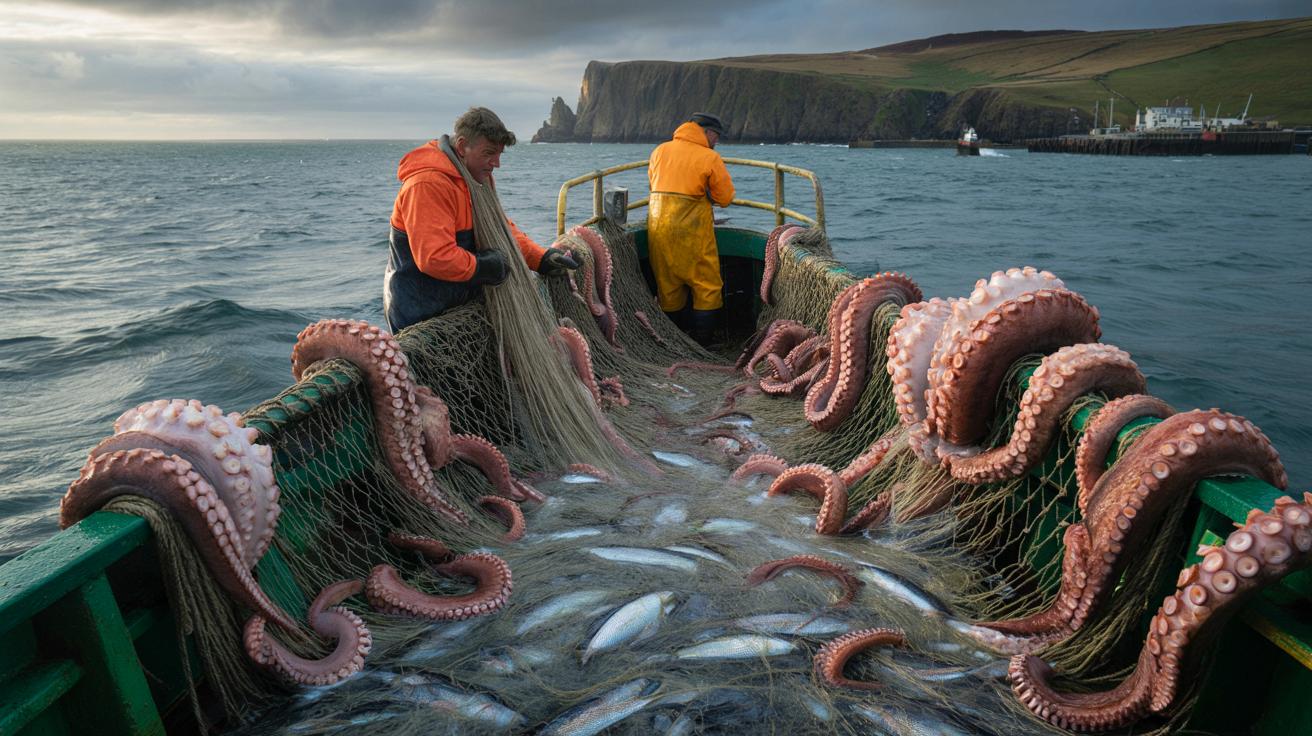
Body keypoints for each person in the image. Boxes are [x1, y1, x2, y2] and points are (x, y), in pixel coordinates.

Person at [384, 106, 578, 333]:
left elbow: (501, 230)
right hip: (419, 317)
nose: (496, 163)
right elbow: (434, 258)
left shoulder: (478, 178)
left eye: (499, 154)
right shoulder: (427, 185)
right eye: (488, 153)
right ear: (462, 146)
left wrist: (541, 259)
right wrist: (481, 267)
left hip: (459, 307)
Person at [646, 112, 735, 346]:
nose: (717, 141)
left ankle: (672, 341)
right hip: (692, 232)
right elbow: (725, 198)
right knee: (707, 286)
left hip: (658, 229)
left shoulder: (659, 151)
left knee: (668, 286)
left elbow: (653, 184)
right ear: (705, 132)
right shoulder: (709, 157)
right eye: (716, 135)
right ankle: (703, 343)